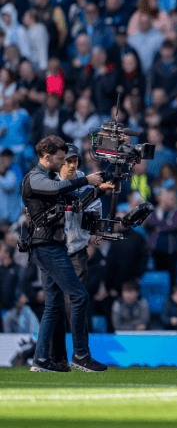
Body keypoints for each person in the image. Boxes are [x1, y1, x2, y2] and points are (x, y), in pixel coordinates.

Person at [21, 136, 106, 373]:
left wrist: (99, 190)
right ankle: (80, 355)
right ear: (47, 157)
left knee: (53, 305)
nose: (63, 164)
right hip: (47, 246)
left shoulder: (46, 178)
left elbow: (76, 203)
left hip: (49, 246)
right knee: (79, 296)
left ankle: (41, 359)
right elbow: (58, 188)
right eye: (60, 159)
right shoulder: (35, 178)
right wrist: (86, 179)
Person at [48, 144, 112, 367]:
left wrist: (85, 205)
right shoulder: (50, 181)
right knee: (53, 304)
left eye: (76, 161)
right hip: (53, 249)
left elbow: (94, 213)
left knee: (77, 303)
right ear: (60, 162)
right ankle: (55, 357)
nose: (73, 165)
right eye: (69, 161)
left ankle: (81, 355)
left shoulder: (89, 181)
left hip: (75, 251)